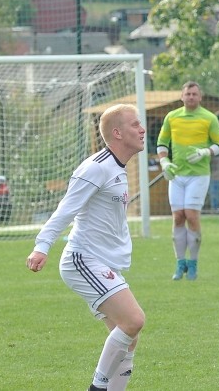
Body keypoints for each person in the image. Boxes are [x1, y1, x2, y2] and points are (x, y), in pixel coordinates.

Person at [26, 104, 147, 391]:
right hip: (83, 260)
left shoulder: (117, 168)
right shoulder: (96, 167)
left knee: (130, 337)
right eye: (135, 124)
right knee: (134, 320)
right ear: (117, 133)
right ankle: (97, 388)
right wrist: (42, 245)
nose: (142, 130)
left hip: (103, 261)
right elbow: (66, 209)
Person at [157, 81, 219, 280]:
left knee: (192, 215)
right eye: (188, 94)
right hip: (177, 175)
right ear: (182, 96)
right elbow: (162, 142)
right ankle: (180, 263)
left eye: (194, 94)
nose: (191, 97)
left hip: (199, 175)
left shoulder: (209, 118)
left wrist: (206, 152)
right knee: (178, 217)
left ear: (200, 97)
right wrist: (164, 162)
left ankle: (193, 263)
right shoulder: (172, 117)